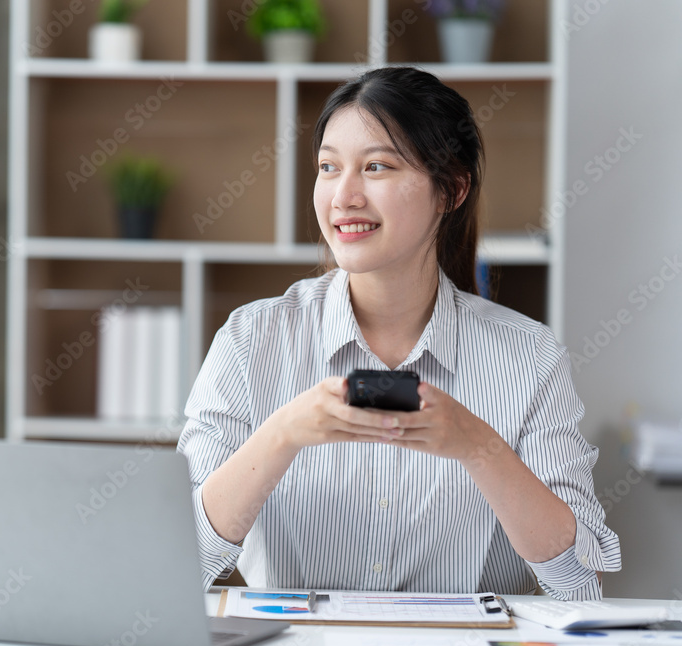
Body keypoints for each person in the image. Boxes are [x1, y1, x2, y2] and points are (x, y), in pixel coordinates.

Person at [177, 67, 621, 601]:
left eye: (377, 167)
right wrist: (285, 431)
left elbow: (579, 585)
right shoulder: (251, 340)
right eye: (328, 167)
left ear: (451, 189)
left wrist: (477, 446)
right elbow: (181, 561)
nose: (343, 196)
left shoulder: (530, 357)